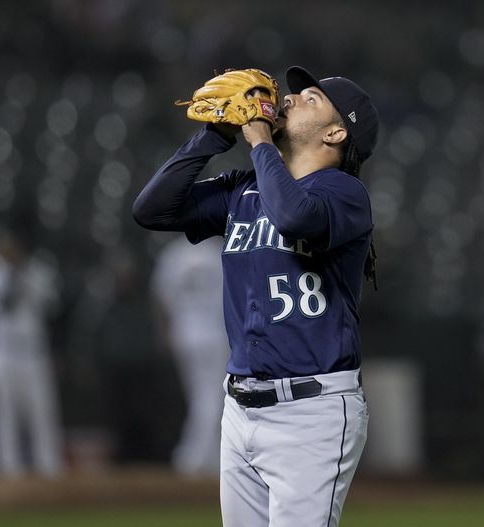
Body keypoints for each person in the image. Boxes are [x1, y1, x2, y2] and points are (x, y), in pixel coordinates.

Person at [133, 66, 379, 527]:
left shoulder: (345, 194)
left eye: (310, 98)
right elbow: (151, 210)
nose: (288, 99)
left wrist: (261, 141)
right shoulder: (243, 189)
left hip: (313, 414)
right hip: (240, 408)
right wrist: (213, 137)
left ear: (336, 131)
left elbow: (294, 217)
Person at [0, 227, 64, 478]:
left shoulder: (38, 268)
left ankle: (50, 470)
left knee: (43, 413)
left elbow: (53, 305)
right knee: (4, 415)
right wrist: (14, 273)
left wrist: (25, 271)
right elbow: (4, 303)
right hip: (1, 354)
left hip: (33, 353)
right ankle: (8, 471)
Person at [151, 235, 229, 477]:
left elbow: (160, 297)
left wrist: (164, 332)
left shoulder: (175, 253)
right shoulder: (219, 251)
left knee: (199, 396)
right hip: (215, 333)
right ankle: (192, 458)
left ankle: (210, 456)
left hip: (183, 333)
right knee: (211, 398)